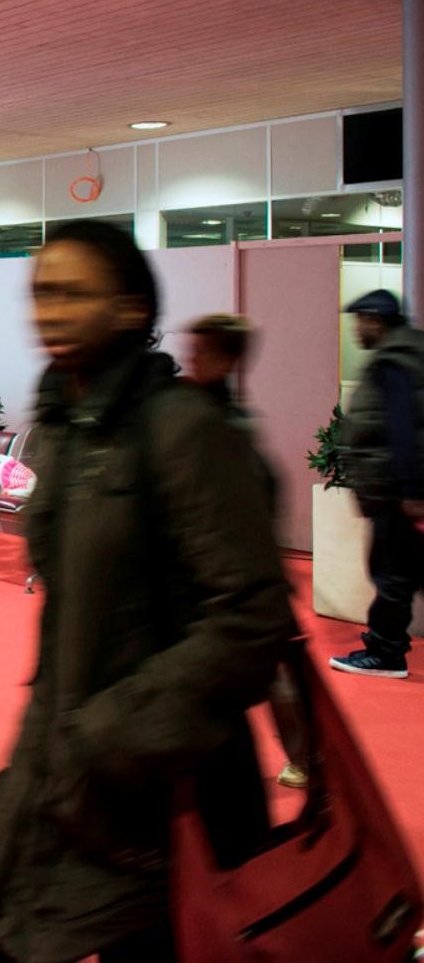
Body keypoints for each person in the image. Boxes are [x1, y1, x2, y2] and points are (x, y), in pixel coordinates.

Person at [0, 221, 294, 963]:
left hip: (163, 778)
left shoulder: (183, 428)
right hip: (67, 758)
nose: (48, 309)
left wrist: (113, 733)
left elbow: (251, 615)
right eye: (41, 292)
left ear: (129, 308)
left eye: (73, 293)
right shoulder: (63, 427)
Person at [183, 313, 309, 790]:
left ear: (226, 359)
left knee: (271, 676)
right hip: (229, 576)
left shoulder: (225, 425)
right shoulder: (208, 413)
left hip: (237, 580)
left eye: (201, 352)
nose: (191, 359)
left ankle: (306, 759)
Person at [332, 287, 424, 679]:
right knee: (401, 572)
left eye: (360, 321)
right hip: (397, 491)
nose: (356, 330)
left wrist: (410, 490)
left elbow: (405, 430)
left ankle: (386, 653)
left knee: (393, 573)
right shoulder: (405, 354)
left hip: (396, 493)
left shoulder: (394, 362)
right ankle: (384, 646)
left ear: (376, 320)